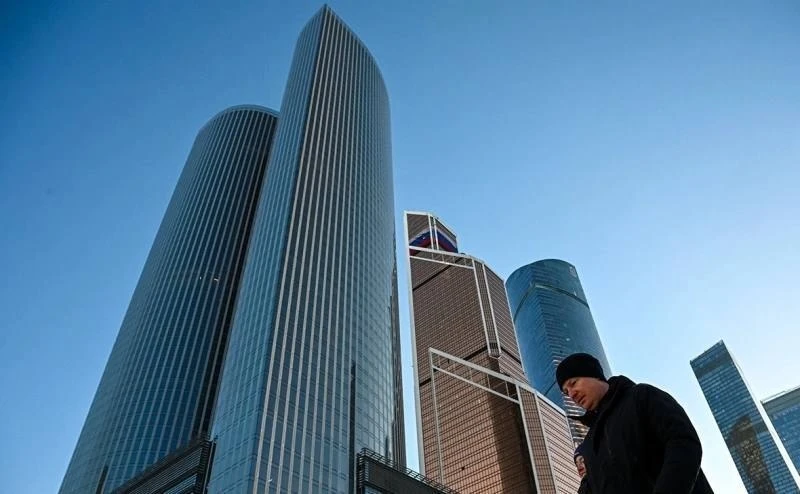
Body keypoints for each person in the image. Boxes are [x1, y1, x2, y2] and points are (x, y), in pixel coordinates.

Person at [556, 353, 714, 493]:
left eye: (573, 383)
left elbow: (683, 443)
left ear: (594, 374)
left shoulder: (641, 396)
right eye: (566, 392)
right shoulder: (589, 444)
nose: (571, 395)